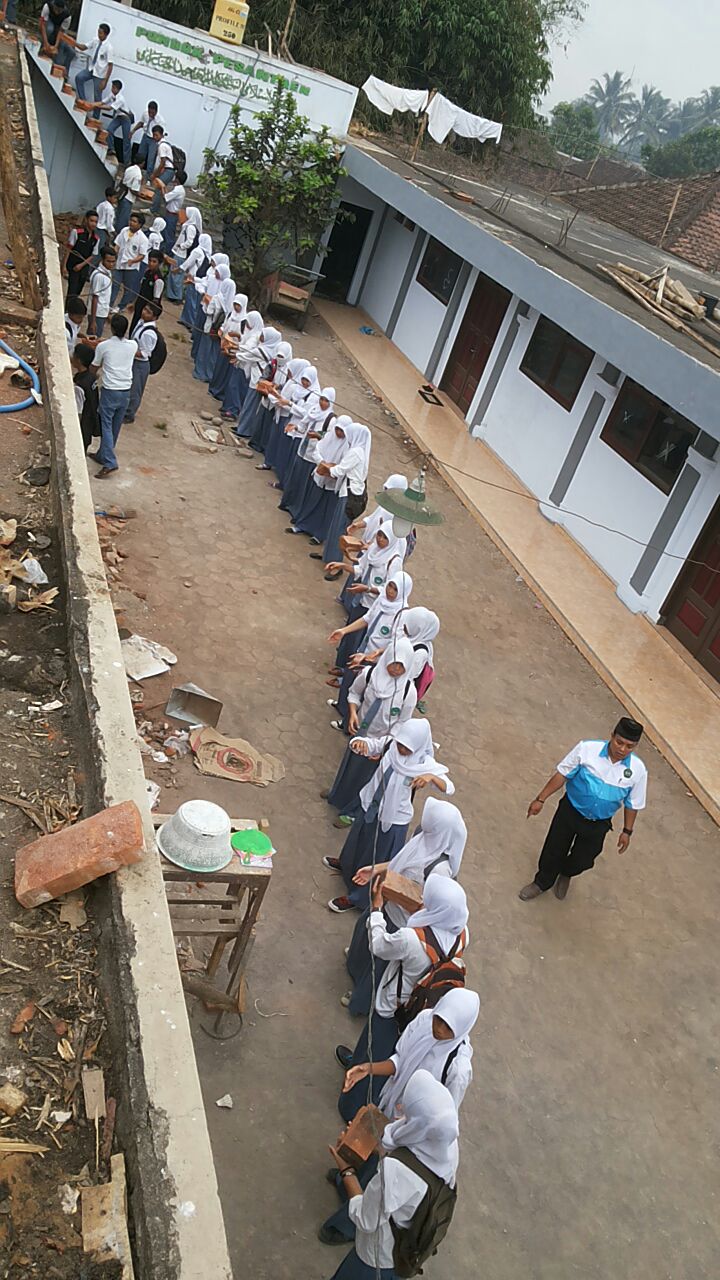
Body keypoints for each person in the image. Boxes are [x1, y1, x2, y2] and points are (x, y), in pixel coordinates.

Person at [320, 990, 478, 1247]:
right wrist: (368, 1069)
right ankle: (346, 1181)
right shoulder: (425, 1019)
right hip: (390, 1104)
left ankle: (347, 1225)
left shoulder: (458, 1070)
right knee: (366, 1152)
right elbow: (400, 1059)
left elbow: (440, 1119)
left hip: (409, 1130)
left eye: (447, 1027)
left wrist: (403, 1133)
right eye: (439, 1019)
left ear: (462, 1028)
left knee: (380, 1178)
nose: (438, 1028)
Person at [334, 876, 469, 1116]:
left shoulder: (411, 940)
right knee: (392, 1050)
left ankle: (354, 1106)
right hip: (423, 1008)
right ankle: (360, 1063)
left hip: (393, 1005)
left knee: (378, 1045)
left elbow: (379, 945)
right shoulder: (462, 934)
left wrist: (377, 909)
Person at [326, 1071, 460, 1280]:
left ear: (418, 1125)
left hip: (376, 1258)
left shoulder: (395, 1171)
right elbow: (411, 1158)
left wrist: (347, 1169)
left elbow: (366, 1219)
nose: (399, 1108)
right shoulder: (446, 1147)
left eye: (407, 1110)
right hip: (404, 1253)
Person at [341, 796, 467, 1017]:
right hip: (387, 906)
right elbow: (404, 861)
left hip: (400, 920)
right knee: (366, 941)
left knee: (380, 965)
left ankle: (361, 999)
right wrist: (378, 870)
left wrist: (391, 896)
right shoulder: (426, 838)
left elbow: (427, 905)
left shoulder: (440, 871)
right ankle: (356, 971)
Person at [329, 719, 455, 914]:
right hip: (370, 804)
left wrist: (431, 777)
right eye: (401, 744)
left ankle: (360, 898)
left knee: (377, 858)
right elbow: (370, 745)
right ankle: (347, 867)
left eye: (407, 748)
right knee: (358, 841)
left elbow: (449, 787)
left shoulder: (424, 764)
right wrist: (360, 744)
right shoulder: (390, 744)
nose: (402, 750)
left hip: (393, 818)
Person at [519, 716, 648, 902]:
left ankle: (566, 872)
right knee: (554, 849)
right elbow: (562, 774)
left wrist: (627, 831)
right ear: (612, 736)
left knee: (584, 859)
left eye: (629, 746)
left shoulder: (638, 770)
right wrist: (541, 799)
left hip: (599, 823)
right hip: (570, 811)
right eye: (619, 742)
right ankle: (542, 882)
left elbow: (633, 804)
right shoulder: (587, 749)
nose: (622, 749)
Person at [318, 421, 372, 576]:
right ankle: (328, 557)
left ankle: (336, 565)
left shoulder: (356, 452)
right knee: (335, 526)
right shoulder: (358, 451)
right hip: (347, 492)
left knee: (339, 529)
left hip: (349, 496)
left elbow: (340, 470)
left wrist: (326, 467)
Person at [89, 313, 137, 477]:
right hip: (125, 390)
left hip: (110, 389)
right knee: (115, 425)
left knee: (106, 425)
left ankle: (109, 461)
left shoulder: (104, 346)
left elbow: (94, 366)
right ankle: (103, 454)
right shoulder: (132, 345)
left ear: (112, 328)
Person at [126, 302, 161, 423]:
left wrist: (127, 350)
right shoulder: (141, 323)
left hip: (140, 364)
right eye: (145, 309)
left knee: (135, 390)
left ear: (154, 317)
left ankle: (129, 414)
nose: (144, 312)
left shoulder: (148, 333)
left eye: (148, 312)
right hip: (133, 360)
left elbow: (145, 353)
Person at [74, 23, 113, 119]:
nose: (99, 35)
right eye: (98, 32)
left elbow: (110, 65)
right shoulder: (95, 41)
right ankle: (83, 101)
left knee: (97, 97)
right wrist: (74, 43)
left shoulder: (109, 47)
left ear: (106, 34)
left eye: (101, 33)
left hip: (100, 74)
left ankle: (95, 118)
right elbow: (84, 47)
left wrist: (105, 80)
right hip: (92, 69)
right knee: (79, 78)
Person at [111, 212, 148, 311]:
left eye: (134, 221)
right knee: (115, 284)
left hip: (131, 267)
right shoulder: (124, 231)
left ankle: (121, 306)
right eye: (131, 220)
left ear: (140, 225)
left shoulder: (143, 239)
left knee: (128, 289)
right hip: (120, 264)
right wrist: (114, 254)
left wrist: (132, 261)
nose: (131, 223)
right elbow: (117, 244)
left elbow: (142, 255)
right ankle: (109, 304)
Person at [164, 206, 201, 302]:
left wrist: (181, 246)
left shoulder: (190, 228)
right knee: (173, 274)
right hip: (178, 252)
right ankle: (172, 295)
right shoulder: (187, 226)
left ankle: (177, 296)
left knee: (177, 276)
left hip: (181, 254)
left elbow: (189, 242)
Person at [62, 210, 99, 302]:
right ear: (86, 220)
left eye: (96, 222)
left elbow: (93, 255)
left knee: (78, 290)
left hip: (84, 267)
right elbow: (68, 249)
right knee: (72, 290)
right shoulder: (77, 233)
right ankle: (67, 311)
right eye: (92, 221)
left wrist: (82, 265)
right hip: (73, 264)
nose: (93, 224)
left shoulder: (96, 238)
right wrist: (64, 266)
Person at [71, 343, 99, 451]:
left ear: (79, 360)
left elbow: (78, 412)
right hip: (90, 422)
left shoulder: (80, 385)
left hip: (82, 428)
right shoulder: (91, 377)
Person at [131, 250, 164, 329]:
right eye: (149, 260)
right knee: (133, 326)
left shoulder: (158, 279)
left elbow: (156, 300)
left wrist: (147, 311)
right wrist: (135, 303)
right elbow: (141, 290)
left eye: (154, 262)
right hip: (139, 305)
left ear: (159, 263)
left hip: (146, 310)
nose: (151, 263)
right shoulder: (147, 272)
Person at [87, 247, 116, 339]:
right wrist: (93, 321)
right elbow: (95, 298)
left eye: (113, 261)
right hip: (97, 313)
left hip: (103, 311)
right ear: (102, 259)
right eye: (108, 261)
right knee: (93, 338)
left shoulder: (108, 272)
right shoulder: (99, 276)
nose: (111, 264)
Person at [39, 1, 73, 74]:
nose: (57, 12)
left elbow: (61, 32)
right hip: (49, 22)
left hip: (59, 26)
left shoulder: (67, 16)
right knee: (50, 29)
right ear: (53, 6)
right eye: (56, 9)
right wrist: (45, 43)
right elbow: (43, 25)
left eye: (60, 11)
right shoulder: (47, 6)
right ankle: (42, 47)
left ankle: (56, 66)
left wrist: (56, 46)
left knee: (62, 44)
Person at [130, 101, 165, 172]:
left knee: (150, 159)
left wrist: (159, 145)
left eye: (152, 113)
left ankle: (148, 175)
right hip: (145, 136)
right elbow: (141, 123)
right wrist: (133, 131)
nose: (150, 114)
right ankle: (135, 171)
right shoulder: (145, 114)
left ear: (156, 111)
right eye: (149, 112)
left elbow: (162, 134)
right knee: (140, 155)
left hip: (154, 140)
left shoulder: (160, 121)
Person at [157, 174, 187, 251]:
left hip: (171, 215)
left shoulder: (178, 190)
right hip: (171, 214)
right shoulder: (180, 189)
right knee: (165, 234)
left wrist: (162, 187)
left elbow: (166, 197)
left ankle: (168, 253)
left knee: (168, 236)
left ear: (177, 179)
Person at [149, 128, 175, 210]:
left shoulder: (162, 146)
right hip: (168, 170)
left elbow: (162, 162)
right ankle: (159, 207)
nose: (154, 137)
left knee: (158, 188)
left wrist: (155, 174)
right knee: (161, 189)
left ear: (161, 135)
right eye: (153, 135)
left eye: (156, 135)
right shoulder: (165, 144)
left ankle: (154, 209)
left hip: (167, 170)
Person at [115, 163, 143, 235]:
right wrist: (140, 196)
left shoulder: (129, 169)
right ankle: (118, 236)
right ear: (143, 163)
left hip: (122, 194)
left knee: (118, 216)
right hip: (128, 198)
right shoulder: (138, 174)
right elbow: (134, 190)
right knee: (123, 220)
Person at [95, 187, 117, 253]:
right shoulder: (110, 208)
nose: (115, 200)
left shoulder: (101, 204)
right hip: (102, 229)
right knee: (100, 248)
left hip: (96, 227)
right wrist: (113, 232)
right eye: (114, 198)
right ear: (109, 197)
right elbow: (109, 223)